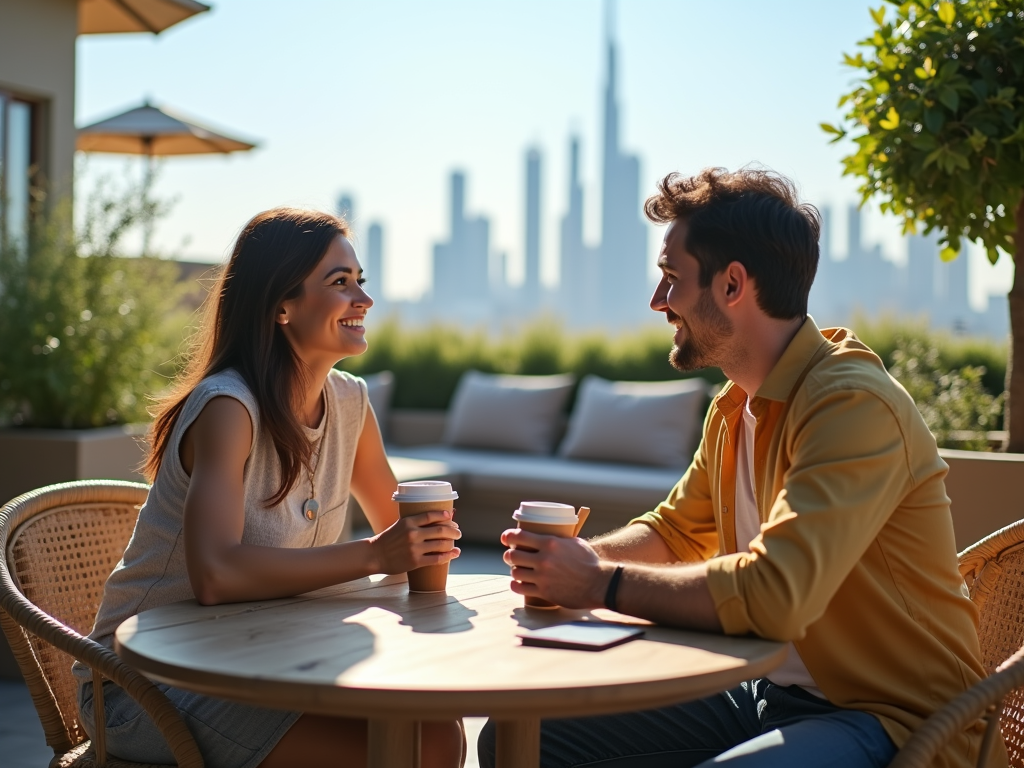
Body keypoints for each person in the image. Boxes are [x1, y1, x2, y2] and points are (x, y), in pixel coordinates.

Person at [482, 168, 1002, 768]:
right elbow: (674, 532)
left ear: (733, 284)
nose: (658, 301)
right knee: (520, 736)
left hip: (897, 719)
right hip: (766, 695)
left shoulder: (851, 404)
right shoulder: (734, 408)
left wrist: (597, 585)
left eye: (671, 279)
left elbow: (775, 594)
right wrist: (574, 564)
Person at [74, 208, 465, 768]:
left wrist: (417, 555)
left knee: (437, 726)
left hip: (268, 659)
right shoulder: (230, 409)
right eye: (339, 283)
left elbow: (395, 536)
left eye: (361, 281)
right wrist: (376, 555)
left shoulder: (350, 403)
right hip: (146, 684)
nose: (364, 300)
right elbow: (215, 575)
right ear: (281, 305)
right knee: (417, 745)